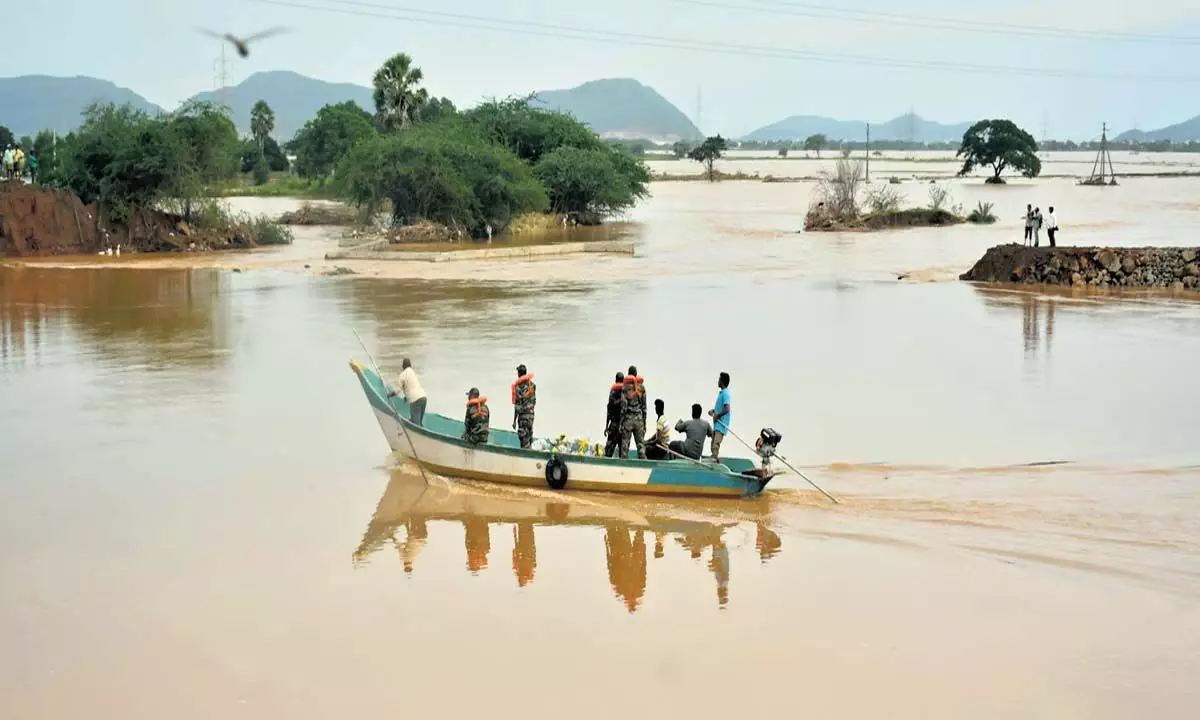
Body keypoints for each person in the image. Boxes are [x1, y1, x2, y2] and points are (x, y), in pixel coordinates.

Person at [619, 365, 646, 459]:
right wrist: (644, 423)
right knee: (641, 447)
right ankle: (644, 468)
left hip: (628, 420)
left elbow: (623, 407)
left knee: (625, 448)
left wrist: (621, 423)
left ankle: (623, 469)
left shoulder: (625, 388)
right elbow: (644, 408)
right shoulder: (641, 388)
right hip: (639, 420)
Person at [389, 357, 427, 426]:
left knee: (416, 425)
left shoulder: (402, 375)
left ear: (403, 366)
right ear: (410, 365)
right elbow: (413, 386)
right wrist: (406, 397)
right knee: (419, 423)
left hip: (415, 400)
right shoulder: (413, 372)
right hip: (423, 397)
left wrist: (390, 395)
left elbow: (397, 390)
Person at [708, 372, 731, 463]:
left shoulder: (725, 393)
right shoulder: (721, 393)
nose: (718, 381)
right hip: (717, 424)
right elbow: (721, 408)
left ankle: (714, 461)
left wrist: (718, 415)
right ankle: (714, 459)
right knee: (713, 445)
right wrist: (713, 412)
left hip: (721, 424)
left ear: (722, 381)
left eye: (719, 379)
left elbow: (727, 408)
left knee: (715, 445)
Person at [511, 363, 536, 449]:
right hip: (531, 415)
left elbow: (517, 406)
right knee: (529, 437)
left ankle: (525, 457)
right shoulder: (532, 385)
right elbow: (534, 401)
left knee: (523, 439)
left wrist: (514, 421)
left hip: (523, 418)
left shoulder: (519, 387)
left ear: (519, 374)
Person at [603, 372, 625, 458]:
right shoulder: (626, 392)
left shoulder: (613, 391)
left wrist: (606, 426)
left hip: (614, 424)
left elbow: (609, 409)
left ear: (616, 380)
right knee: (622, 452)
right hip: (623, 426)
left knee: (608, 450)